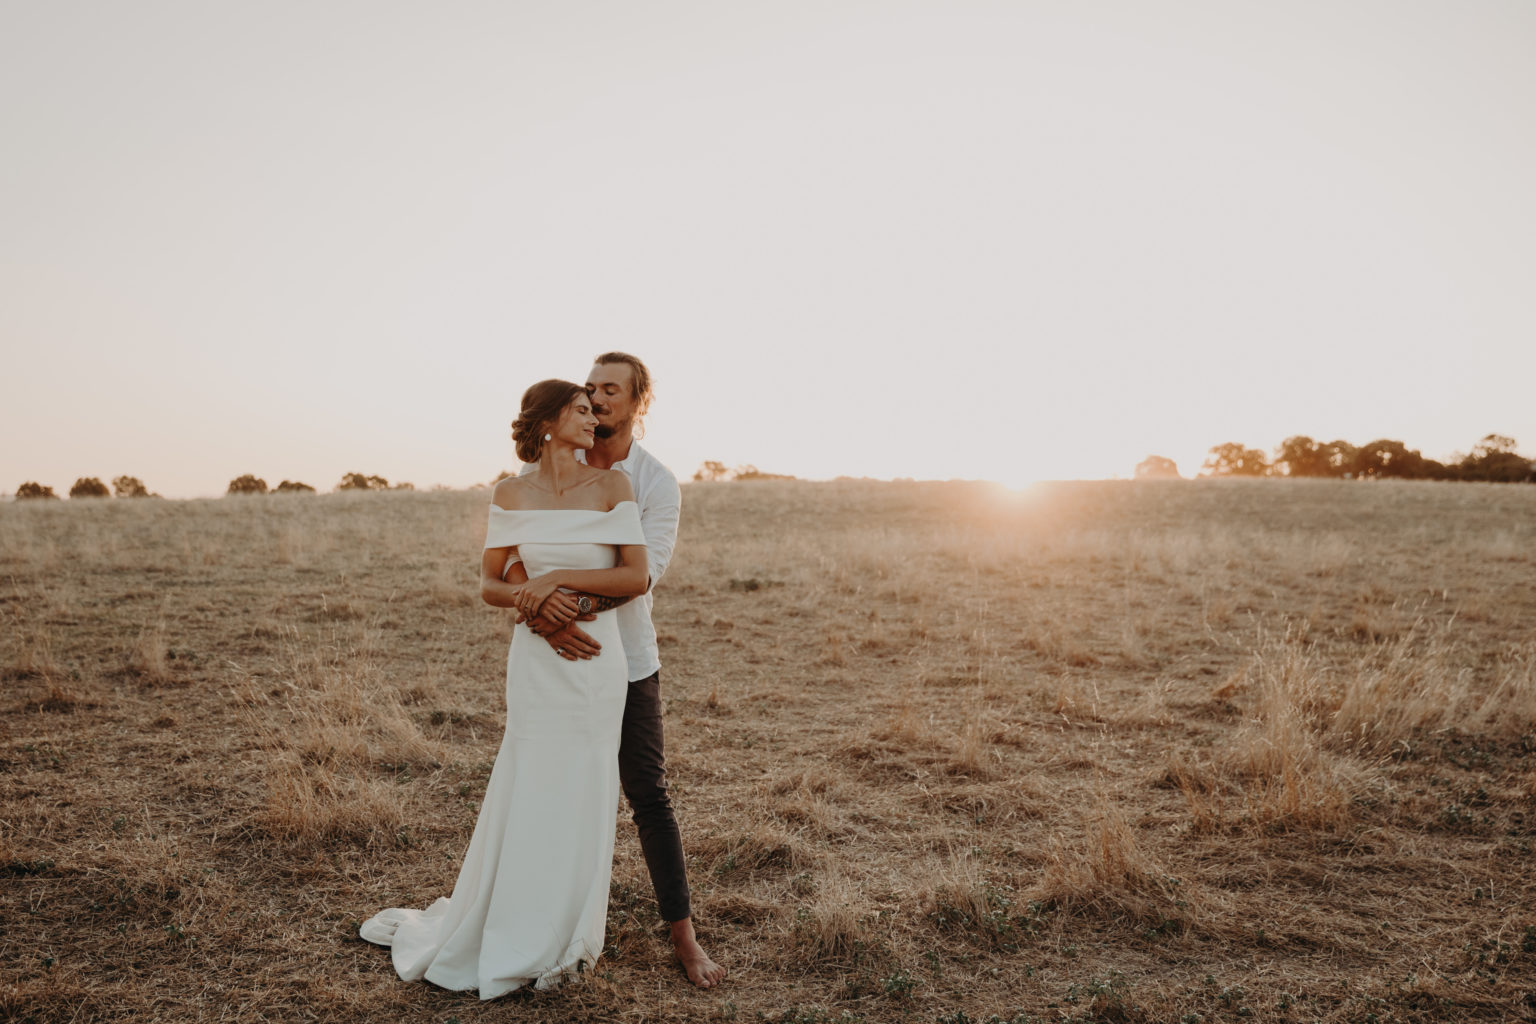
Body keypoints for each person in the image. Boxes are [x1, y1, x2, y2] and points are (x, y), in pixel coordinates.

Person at [359, 380, 649, 998]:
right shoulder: (510, 493)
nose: (592, 416)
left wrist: (555, 583)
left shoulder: (613, 485)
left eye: (593, 409)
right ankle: (514, 923)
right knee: (532, 780)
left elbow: (636, 574)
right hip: (537, 659)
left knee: (585, 785)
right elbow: (491, 583)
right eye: (579, 409)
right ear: (547, 423)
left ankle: (567, 935)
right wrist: (537, 607)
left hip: (597, 662)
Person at [506, 352, 726, 989]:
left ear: (637, 403)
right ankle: (542, 925)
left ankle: (684, 938)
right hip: (552, 661)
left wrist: (565, 607)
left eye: (611, 390)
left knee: (648, 796)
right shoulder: (549, 466)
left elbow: (644, 574)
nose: (596, 399)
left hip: (626, 662)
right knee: (550, 790)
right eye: (591, 388)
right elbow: (515, 556)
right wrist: (538, 608)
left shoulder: (655, 481)